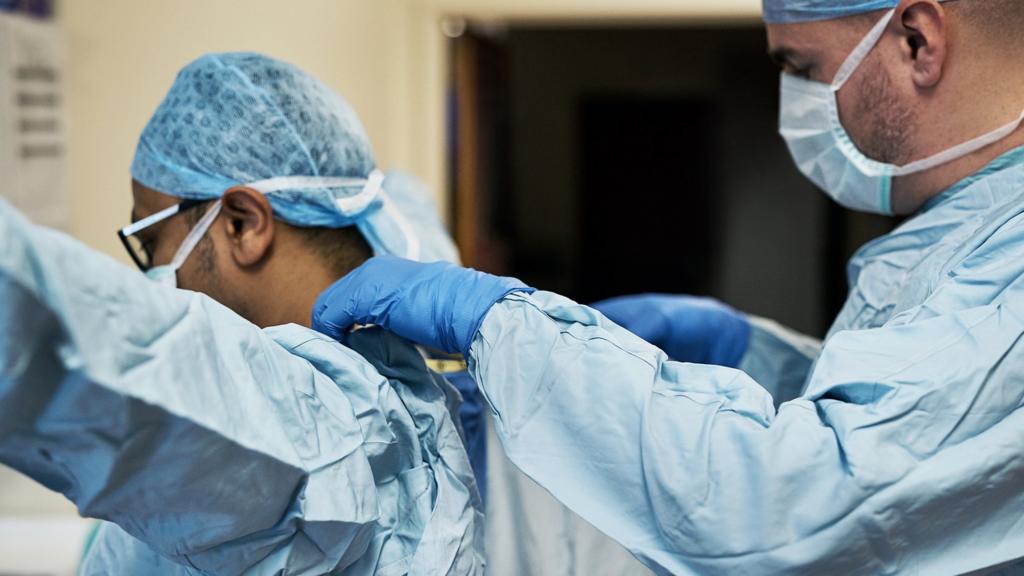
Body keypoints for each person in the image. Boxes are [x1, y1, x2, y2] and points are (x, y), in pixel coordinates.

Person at [311, 0, 1024, 574]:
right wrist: (764, 359)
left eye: (802, 66)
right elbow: (928, 425)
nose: (795, 103)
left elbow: (803, 510)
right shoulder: (972, 230)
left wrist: (505, 327)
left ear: (917, 40)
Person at [0, 52, 485, 574]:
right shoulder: (398, 333)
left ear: (242, 223)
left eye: (151, 240)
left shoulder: (309, 430)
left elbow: (62, 331)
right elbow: (399, 195)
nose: (155, 271)